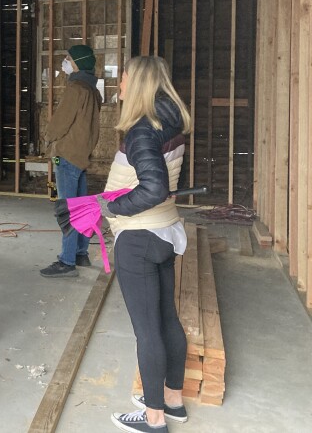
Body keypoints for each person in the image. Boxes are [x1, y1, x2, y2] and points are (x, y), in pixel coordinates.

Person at [102, 56, 192, 433]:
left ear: (136, 84)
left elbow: (153, 187)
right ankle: (172, 401)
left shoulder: (141, 130)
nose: (119, 87)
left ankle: (153, 419)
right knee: (167, 319)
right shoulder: (172, 120)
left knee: (147, 329)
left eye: (122, 80)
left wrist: (112, 205)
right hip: (166, 233)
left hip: (138, 238)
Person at [40, 44, 102, 277]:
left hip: (66, 155)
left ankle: (67, 261)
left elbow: (60, 122)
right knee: (83, 207)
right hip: (82, 156)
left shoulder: (76, 89)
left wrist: (47, 138)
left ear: (78, 62)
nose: (64, 62)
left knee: (67, 210)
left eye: (68, 58)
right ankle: (80, 252)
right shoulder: (92, 90)